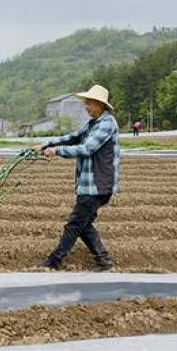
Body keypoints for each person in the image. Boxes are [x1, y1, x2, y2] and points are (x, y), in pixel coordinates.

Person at [32, 84, 120, 271]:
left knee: (74, 224)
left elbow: (87, 148)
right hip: (89, 185)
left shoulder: (107, 124)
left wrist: (56, 151)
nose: (86, 106)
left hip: (97, 185)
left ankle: (53, 261)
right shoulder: (92, 124)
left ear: (99, 104)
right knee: (84, 224)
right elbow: (73, 137)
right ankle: (104, 261)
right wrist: (45, 143)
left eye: (89, 103)